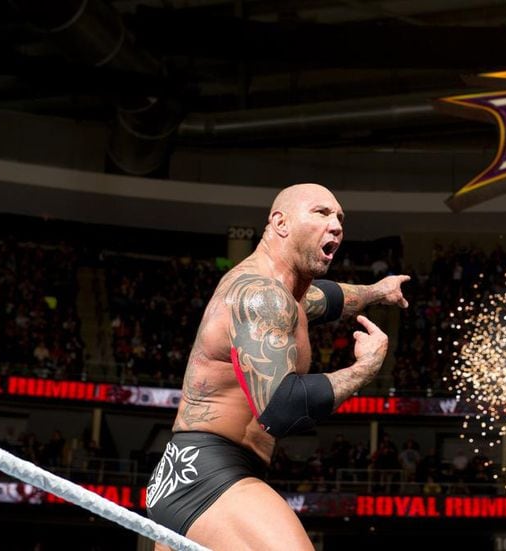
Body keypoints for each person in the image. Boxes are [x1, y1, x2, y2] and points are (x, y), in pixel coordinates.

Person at [146, 183, 409, 550]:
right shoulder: (262, 294)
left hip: (195, 472)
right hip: (209, 477)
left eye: (339, 218)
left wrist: (379, 292)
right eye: (321, 213)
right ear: (281, 223)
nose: (336, 225)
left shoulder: (289, 295)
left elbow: (333, 298)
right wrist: (365, 368)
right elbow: (281, 409)